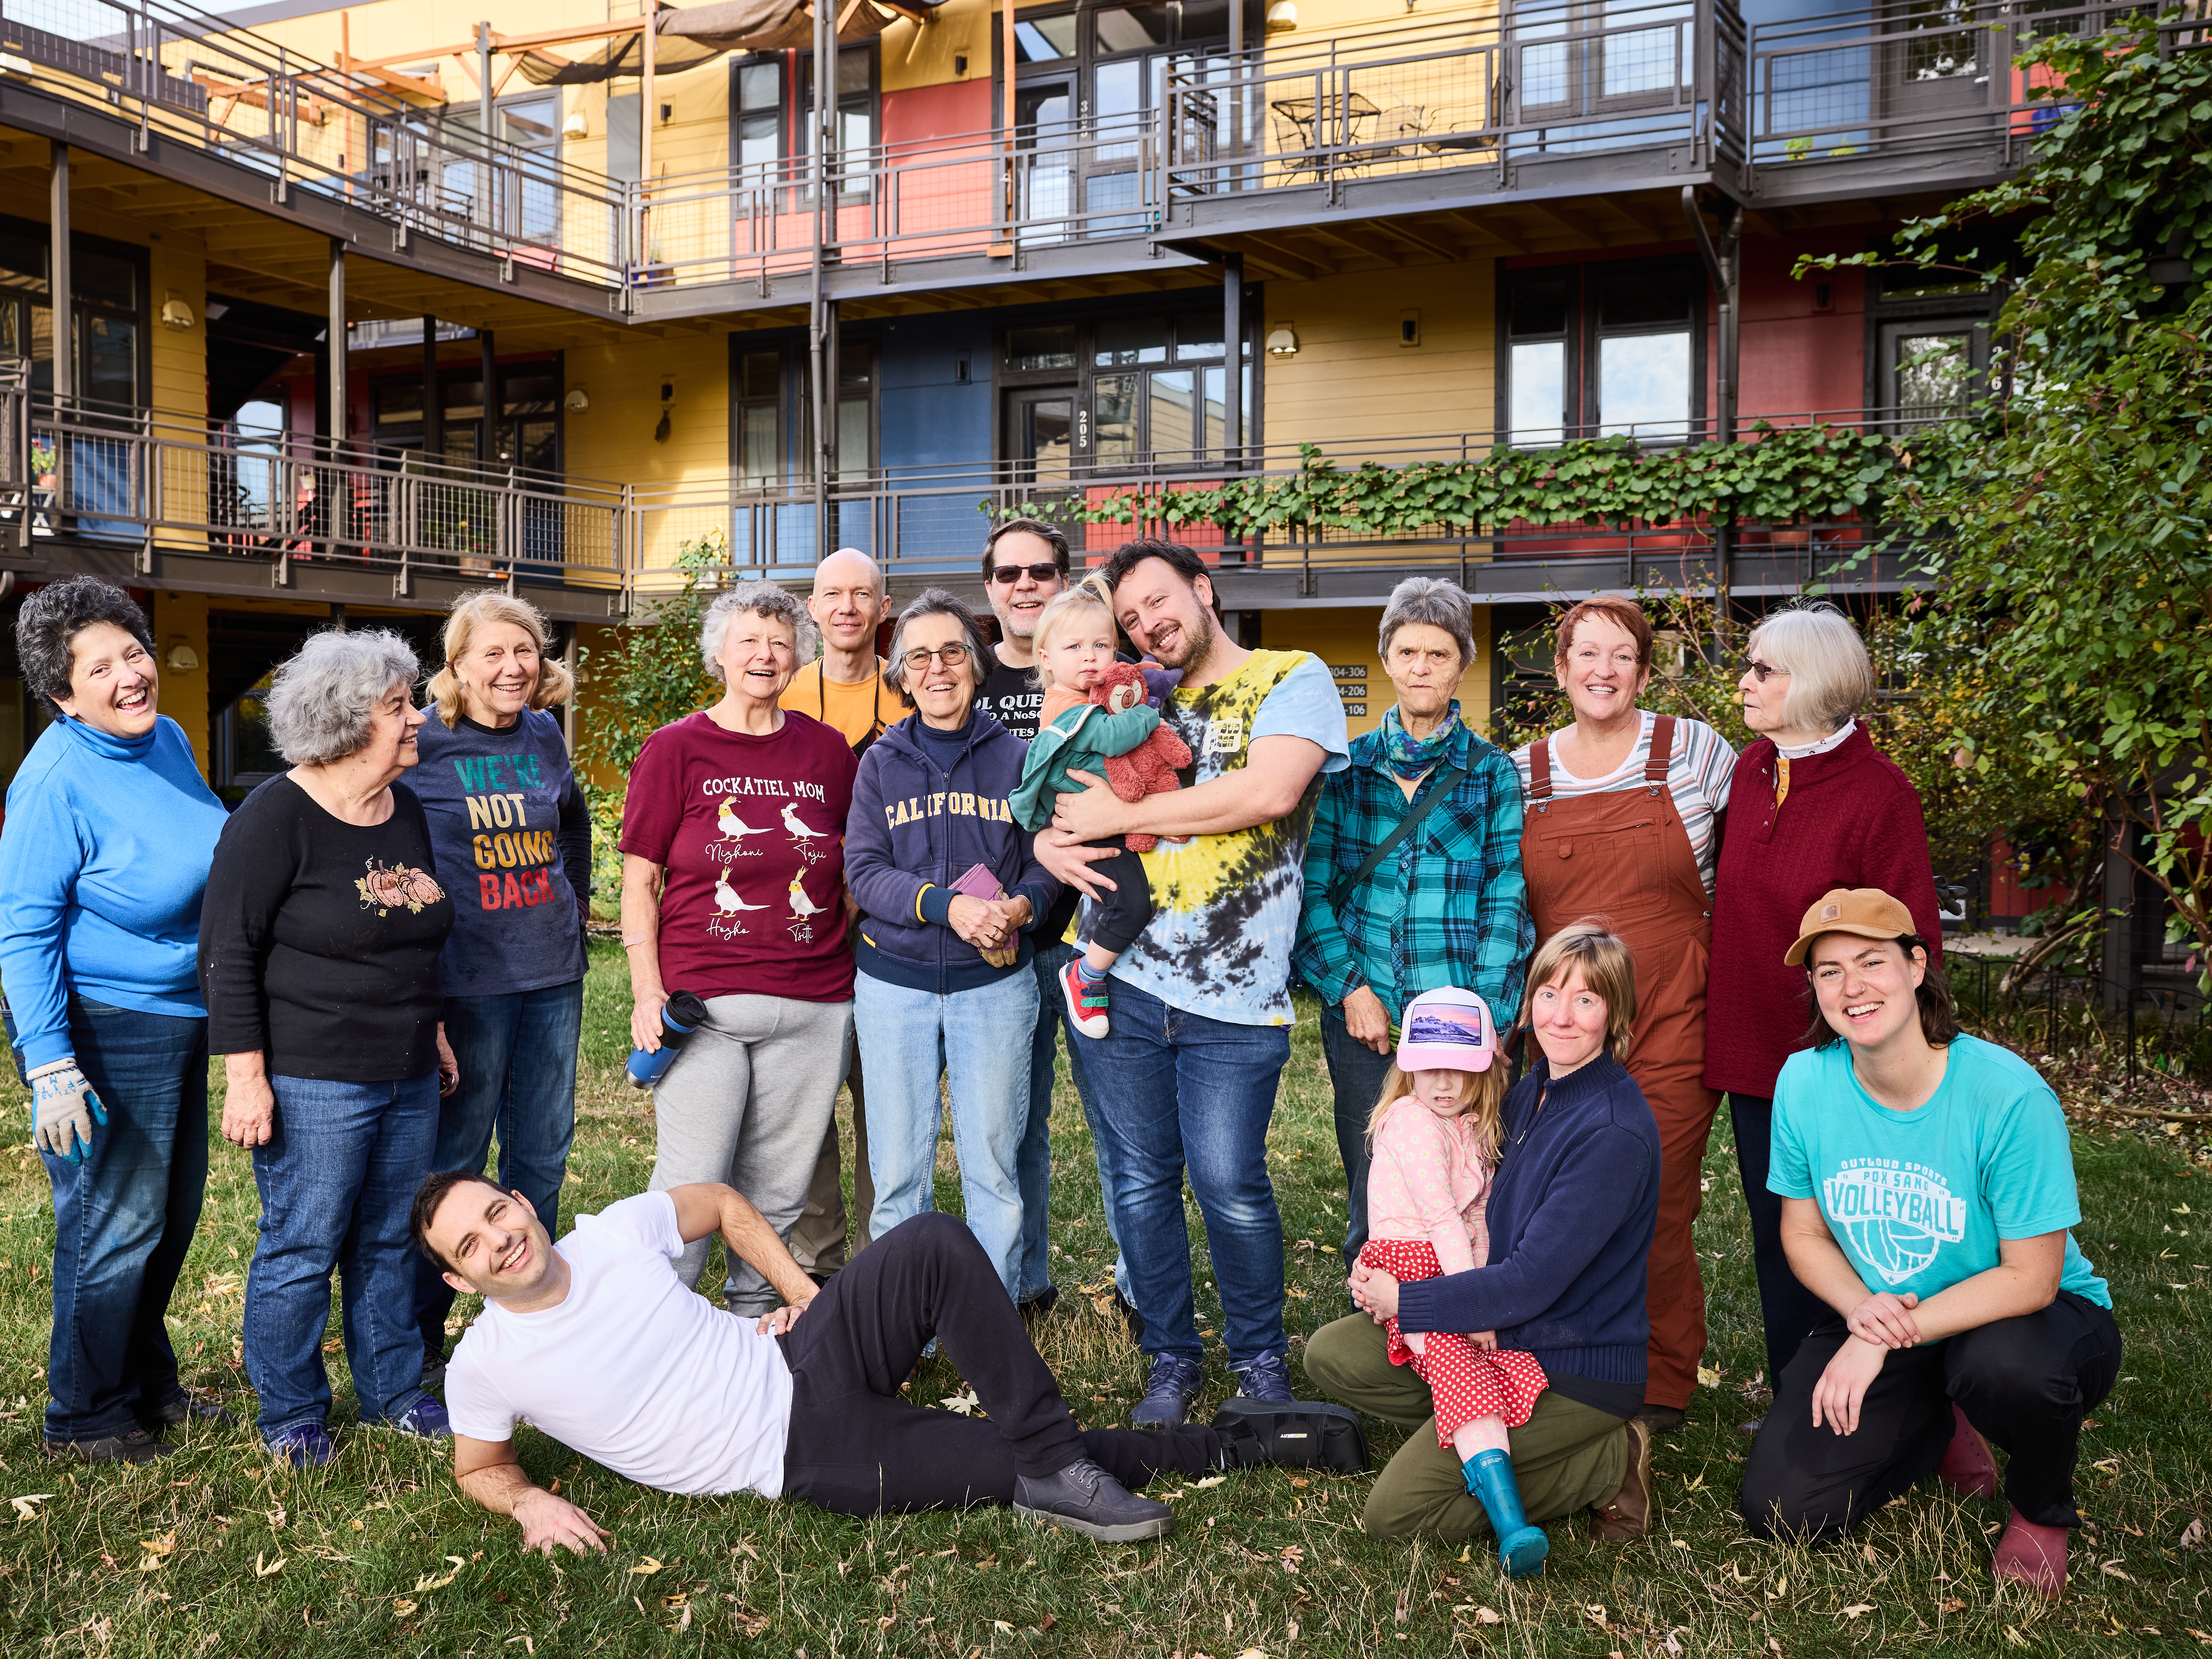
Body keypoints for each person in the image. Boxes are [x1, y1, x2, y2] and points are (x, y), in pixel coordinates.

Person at [414, 1176, 1310, 1549]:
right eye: (472, 1244)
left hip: (807, 1351)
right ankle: (1243, 1445)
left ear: (521, 1202)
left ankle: (1053, 1458)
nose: (498, 1239)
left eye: (496, 1213)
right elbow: (479, 1467)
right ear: (460, 1278)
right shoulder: (486, 1364)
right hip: (801, 1455)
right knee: (1005, 1469)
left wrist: (803, 1294)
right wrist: (529, 1500)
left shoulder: (612, 1233)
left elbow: (724, 1204)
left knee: (929, 1239)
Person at [1035, 537, 1350, 1425]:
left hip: (1237, 993)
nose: (1148, 625)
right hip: (1117, 981)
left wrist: (1118, 811)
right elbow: (1056, 783)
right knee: (1140, 1182)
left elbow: (1269, 792)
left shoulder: (1294, 675)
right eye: (1130, 619)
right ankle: (1170, 1357)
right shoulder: (1124, 695)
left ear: (1204, 590)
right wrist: (1049, 838)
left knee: (1231, 1183)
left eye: (1160, 602)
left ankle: (1258, 1361)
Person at [1739, 889, 2118, 1598]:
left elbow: (2029, 1278)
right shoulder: (1803, 1084)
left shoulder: (2004, 1094)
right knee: (1784, 1512)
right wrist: (1861, 1313)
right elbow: (1802, 1231)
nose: (1851, 988)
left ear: (1916, 966)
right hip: (1889, 1309)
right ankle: (1939, 1424)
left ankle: (2039, 1508)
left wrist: (1880, 1336)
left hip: (2028, 1319)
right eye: (1827, 971)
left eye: (1870, 962)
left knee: (2003, 1367)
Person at [1307, 923, 1660, 1546]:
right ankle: (1471, 1417)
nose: (1563, 1016)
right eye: (1549, 994)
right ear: (1528, 1005)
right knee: (1334, 1353)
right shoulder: (1533, 1094)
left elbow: (1527, 1283)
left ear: (1615, 1013)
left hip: (1569, 1363)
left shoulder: (1610, 1133)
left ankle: (1604, 1462)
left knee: (1396, 1515)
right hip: (1498, 1326)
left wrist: (1405, 1301)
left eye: (1586, 999)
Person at [199, 629, 458, 1466]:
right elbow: (226, 951)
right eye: (399, 706)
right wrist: (247, 1079)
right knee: (305, 1244)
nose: (417, 717)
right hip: (315, 1078)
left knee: (390, 1238)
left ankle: (391, 1393)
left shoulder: (406, 807)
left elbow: (414, 934)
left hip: (410, 1068)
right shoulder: (275, 816)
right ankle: (292, 1411)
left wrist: (439, 1028)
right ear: (349, 722)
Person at [0, 576, 229, 1464]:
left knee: (167, 1221)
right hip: (102, 1025)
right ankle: (85, 1415)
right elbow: (22, 931)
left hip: (180, 1013)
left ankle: (146, 1385)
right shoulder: (53, 779)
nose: (130, 676)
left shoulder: (167, 739)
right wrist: (51, 1065)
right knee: (111, 1223)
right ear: (63, 696)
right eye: (100, 669)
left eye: (133, 653)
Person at [1509, 596, 1738, 1434]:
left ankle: (1660, 1386)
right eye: (1585, 654)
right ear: (1560, 669)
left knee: (1660, 1197)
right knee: (1558, 1200)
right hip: (1565, 1033)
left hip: (1675, 1014)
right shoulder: (1520, 773)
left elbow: (1745, 877)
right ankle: (1562, 1366)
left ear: (1644, 671)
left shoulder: (1695, 754)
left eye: (1622, 656)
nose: (1603, 670)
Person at [1706, 601, 1943, 1391]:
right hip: (1748, 1050)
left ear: (1809, 686)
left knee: (1856, 1235)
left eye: (1761, 670)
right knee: (1779, 1233)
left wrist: (1899, 1055)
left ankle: (1890, 1395)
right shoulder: (1747, 770)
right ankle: (1793, 1397)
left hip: (1841, 1057)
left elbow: (1913, 943)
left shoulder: (1879, 794)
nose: (1743, 681)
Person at [619, 582, 858, 1312]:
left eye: (781, 643)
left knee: (781, 1192)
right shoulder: (676, 748)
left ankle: (757, 1330)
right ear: (719, 653)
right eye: (749, 640)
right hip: (705, 1005)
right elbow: (640, 879)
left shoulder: (827, 752)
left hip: (816, 1003)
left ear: (799, 658)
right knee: (692, 1183)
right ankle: (652, 1327)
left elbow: (853, 866)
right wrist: (645, 990)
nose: (765, 655)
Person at [1296, 576, 1533, 1274]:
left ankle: (1464, 1322)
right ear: (1387, 660)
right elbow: (1311, 890)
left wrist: (1483, 1021)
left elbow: (1505, 895)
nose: (1421, 668)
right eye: (1407, 652)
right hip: (1364, 1017)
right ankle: (1375, 1333)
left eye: (1437, 654)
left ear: (1462, 664)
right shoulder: (1345, 770)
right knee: (1375, 1183)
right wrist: (1349, 990)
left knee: (1468, 1184)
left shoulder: (1490, 773)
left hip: (1455, 1019)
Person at [845, 591, 1056, 1299]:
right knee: (899, 1169)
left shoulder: (1020, 758)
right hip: (893, 986)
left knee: (992, 1166)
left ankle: (986, 1321)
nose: (937, 669)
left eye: (952, 652)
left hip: (993, 988)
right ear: (900, 674)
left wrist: (1023, 905)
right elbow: (863, 874)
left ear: (975, 664)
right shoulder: (880, 764)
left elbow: (1047, 865)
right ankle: (900, 1321)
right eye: (919, 657)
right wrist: (947, 907)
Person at [407, 592, 591, 1391]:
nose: (513, 668)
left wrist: (575, 903)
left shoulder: (545, 734)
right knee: (455, 1163)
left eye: (526, 652)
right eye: (494, 654)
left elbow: (574, 822)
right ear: (457, 667)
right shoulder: (420, 741)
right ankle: (418, 1335)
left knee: (542, 1156)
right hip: (467, 983)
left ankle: (531, 1323)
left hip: (553, 974)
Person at [975, 517, 1130, 1330]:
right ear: (991, 587)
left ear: (1064, 577)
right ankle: (1027, 1280)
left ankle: (1138, 1285)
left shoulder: (1111, 673)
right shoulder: (975, 681)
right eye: (1009, 573)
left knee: (1121, 1121)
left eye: (1041, 571)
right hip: (1018, 940)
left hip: (1107, 928)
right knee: (1019, 1123)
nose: (1025, 584)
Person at [1357, 988, 1549, 1578]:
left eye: (1460, 1070)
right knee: (1459, 1367)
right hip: (1411, 1266)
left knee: (1496, 1357)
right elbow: (1442, 1220)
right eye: (1428, 1068)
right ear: (1407, 1067)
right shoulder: (1413, 1123)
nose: (1443, 1083)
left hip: (1452, 1264)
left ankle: (1524, 1455)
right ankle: (1509, 1521)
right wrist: (1474, 1310)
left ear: (1486, 1067)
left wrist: (1487, 1293)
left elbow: (1477, 1222)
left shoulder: (1469, 1125)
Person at [779, 547, 903, 1285]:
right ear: (814, 608)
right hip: (805, 930)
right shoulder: (782, 692)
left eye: (863, 594)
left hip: (890, 930)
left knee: (885, 1107)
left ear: (883, 609)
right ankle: (820, 1269)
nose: (849, 607)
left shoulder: (913, 689)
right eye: (834, 594)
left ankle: (883, 1272)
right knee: (809, 1107)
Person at [1009, 579, 1188, 1040]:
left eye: (1102, 645)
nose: (1090, 657)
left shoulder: (1093, 696)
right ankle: (1086, 975)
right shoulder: (1068, 708)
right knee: (1131, 904)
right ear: (1046, 659)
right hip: (1092, 827)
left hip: (1104, 816)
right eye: (1074, 647)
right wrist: (1149, 710)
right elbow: (1112, 739)